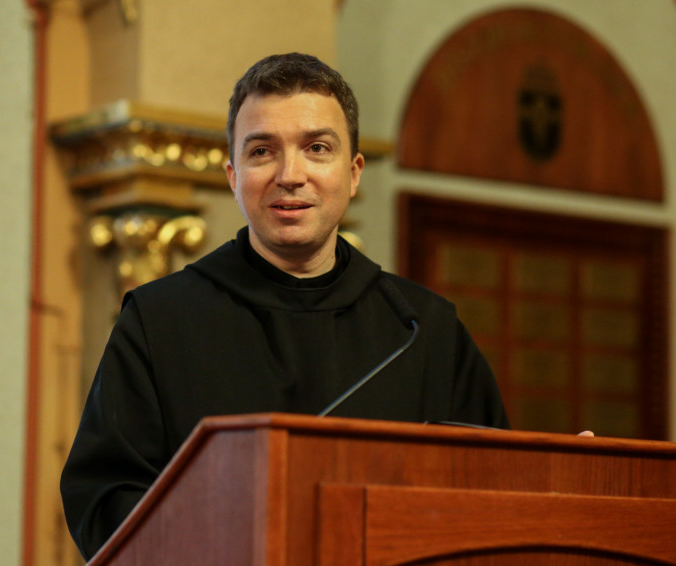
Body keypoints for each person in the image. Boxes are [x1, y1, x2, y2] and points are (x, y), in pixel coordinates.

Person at [60, 52, 509, 560]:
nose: (290, 175)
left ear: (354, 173)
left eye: (317, 148)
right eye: (262, 151)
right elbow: (103, 502)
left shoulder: (423, 330)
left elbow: (495, 490)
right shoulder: (159, 321)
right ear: (233, 175)